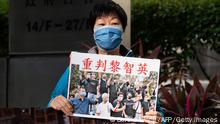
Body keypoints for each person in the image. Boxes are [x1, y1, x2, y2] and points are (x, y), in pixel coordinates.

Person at [48, 1, 164, 123]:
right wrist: (54, 103)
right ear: (93, 31)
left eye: (114, 23)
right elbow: (52, 102)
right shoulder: (77, 65)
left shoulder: (139, 68)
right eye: (101, 24)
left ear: (123, 29)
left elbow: (158, 112)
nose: (107, 29)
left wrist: (159, 118)